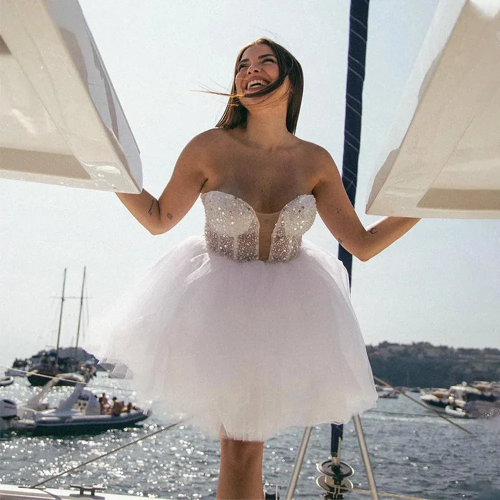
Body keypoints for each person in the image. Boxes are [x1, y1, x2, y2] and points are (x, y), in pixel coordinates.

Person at [86, 38, 420, 499]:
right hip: (217, 307)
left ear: (290, 78)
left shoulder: (314, 160)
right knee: (241, 448)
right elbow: (158, 218)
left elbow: (361, 244)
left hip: (287, 316)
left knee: (244, 448)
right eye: (243, 64)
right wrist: (105, 168)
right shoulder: (210, 147)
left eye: (265, 61)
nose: (251, 70)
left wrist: (429, 201)